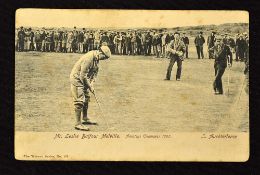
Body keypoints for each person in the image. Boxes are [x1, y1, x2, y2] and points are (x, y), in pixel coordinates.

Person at [70, 46, 111, 131]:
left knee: (87, 98)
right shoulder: (89, 58)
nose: (104, 59)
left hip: (84, 79)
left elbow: (95, 73)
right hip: (77, 78)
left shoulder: (96, 58)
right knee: (79, 100)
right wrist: (89, 86)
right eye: (104, 57)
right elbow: (82, 75)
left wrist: (92, 84)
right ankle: (78, 123)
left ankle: (85, 118)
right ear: (100, 53)